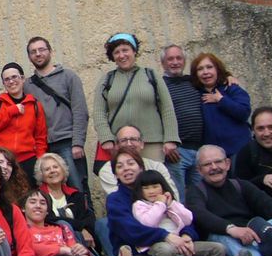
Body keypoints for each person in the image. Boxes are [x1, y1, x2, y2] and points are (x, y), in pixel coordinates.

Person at [107, 148, 257, 256]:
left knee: (208, 249)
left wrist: (186, 235)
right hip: (138, 255)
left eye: (131, 163)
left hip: (173, 244)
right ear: (115, 174)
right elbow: (130, 231)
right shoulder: (116, 200)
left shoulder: (160, 192)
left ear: (141, 167)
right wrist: (166, 236)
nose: (126, 169)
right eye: (120, 166)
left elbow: (183, 218)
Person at [128, 169, 231, 256]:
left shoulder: (171, 203)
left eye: (155, 186)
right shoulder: (139, 205)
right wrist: (160, 204)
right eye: (146, 188)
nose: (151, 191)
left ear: (163, 187)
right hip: (156, 244)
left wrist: (171, 204)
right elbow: (148, 222)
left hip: (180, 242)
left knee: (217, 248)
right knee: (166, 250)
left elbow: (188, 219)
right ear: (140, 191)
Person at [91, 33, 179, 165]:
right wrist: (106, 138)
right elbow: (99, 113)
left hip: (151, 143)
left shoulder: (151, 75)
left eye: (125, 50)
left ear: (134, 51)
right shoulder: (107, 80)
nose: (122, 55)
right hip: (120, 144)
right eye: (116, 52)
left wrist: (170, 139)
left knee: (153, 176)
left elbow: (167, 108)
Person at [24, 37, 90, 192]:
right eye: (33, 51)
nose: (38, 54)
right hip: (42, 146)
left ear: (50, 51)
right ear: (29, 57)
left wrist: (78, 142)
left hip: (67, 142)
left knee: (77, 188)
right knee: (51, 192)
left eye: (41, 49)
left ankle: (84, 209)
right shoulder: (27, 85)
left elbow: (80, 111)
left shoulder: (69, 76)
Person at [0, 62, 47, 180]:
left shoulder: (35, 105)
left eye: (14, 77)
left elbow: (40, 137)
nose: (11, 81)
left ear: (22, 78)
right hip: (1, 161)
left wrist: (39, 159)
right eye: (7, 79)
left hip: (27, 160)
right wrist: (11, 111)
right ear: (3, 83)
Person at [21, 187, 100, 256]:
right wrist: (62, 250)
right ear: (23, 208)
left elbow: (73, 248)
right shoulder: (22, 230)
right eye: (33, 202)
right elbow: (30, 249)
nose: (38, 206)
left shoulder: (61, 228)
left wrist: (81, 250)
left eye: (43, 203)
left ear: (47, 211)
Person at [160, 44, 204, 201]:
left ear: (184, 61)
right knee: (179, 199)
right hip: (177, 152)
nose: (175, 62)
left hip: (200, 151)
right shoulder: (160, 86)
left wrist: (229, 77)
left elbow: (216, 79)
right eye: (170, 59)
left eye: (179, 58)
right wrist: (166, 142)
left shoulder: (195, 83)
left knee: (202, 197)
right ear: (163, 63)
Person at [190, 52, 251, 158]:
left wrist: (221, 100)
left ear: (217, 69)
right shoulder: (195, 94)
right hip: (213, 157)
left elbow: (244, 113)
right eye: (200, 69)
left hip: (239, 151)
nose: (205, 72)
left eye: (209, 67)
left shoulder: (231, 88)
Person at [95, 126, 179, 199]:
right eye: (123, 140)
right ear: (116, 146)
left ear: (142, 144)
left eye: (133, 139)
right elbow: (119, 199)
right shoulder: (108, 170)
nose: (129, 144)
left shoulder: (156, 166)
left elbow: (172, 195)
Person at [35, 152, 95, 244]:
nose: (52, 171)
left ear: (63, 170)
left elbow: (88, 220)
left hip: (79, 240)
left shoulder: (76, 195)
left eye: (55, 167)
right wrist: (80, 228)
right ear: (41, 175)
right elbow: (49, 219)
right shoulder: (38, 197)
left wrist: (85, 230)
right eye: (47, 169)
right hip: (51, 241)